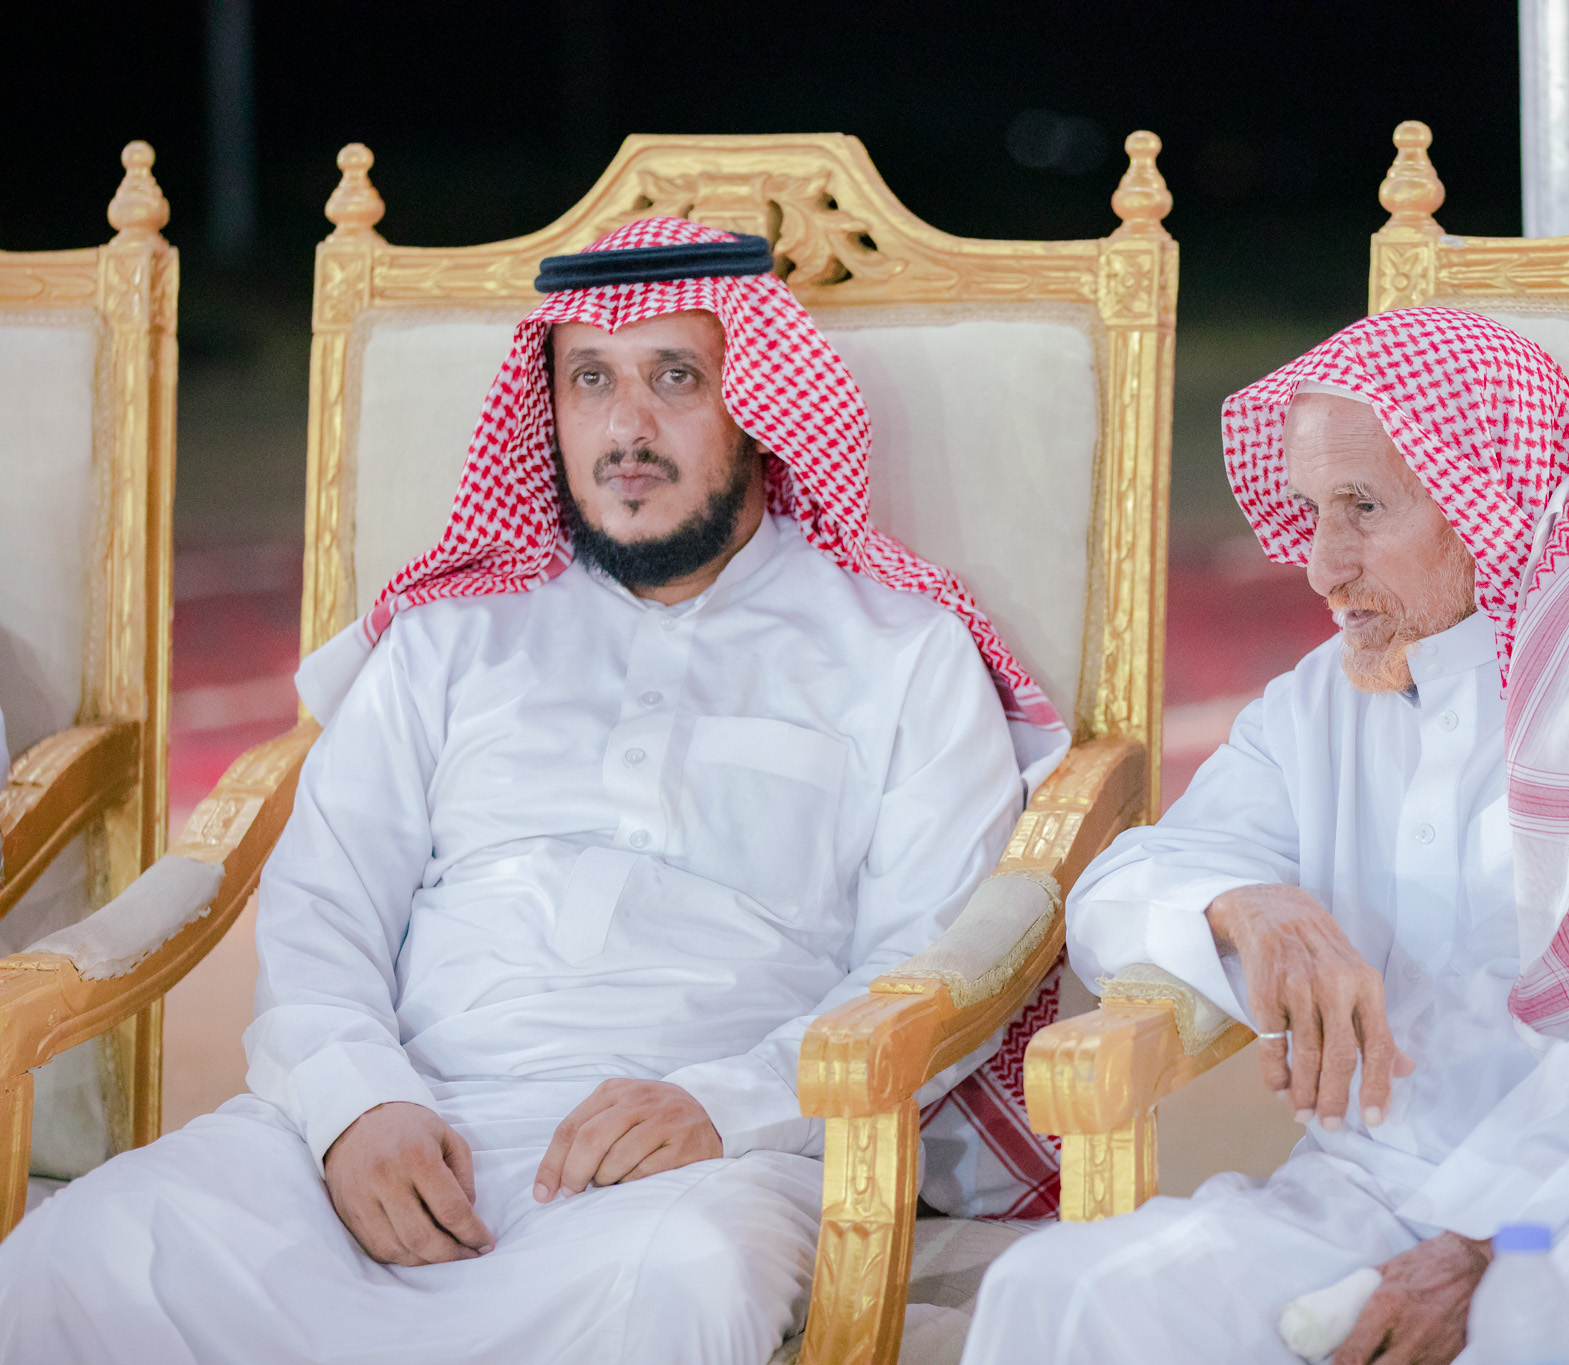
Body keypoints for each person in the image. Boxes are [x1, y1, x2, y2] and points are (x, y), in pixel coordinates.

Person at [0, 217, 1068, 1365]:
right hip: (403, 1116)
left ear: (758, 404)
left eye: (675, 377)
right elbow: (323, 907)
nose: (626, 428)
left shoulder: (901, 652)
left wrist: (725, 1105)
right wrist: (356, 1103)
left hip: (694, 1161)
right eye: (590, 380)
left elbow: (929, 959)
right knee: (85, 1254)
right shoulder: (450, 634)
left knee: (684, 1285)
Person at [962, 308, 1569, 1365]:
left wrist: (1487, 1240)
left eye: (1363, 507)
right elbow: (1120, 890)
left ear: (1488, 502)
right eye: (1310, 510)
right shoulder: (1322, 702)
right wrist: (1247, 906)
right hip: (1379, 1188)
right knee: (1062, 1298)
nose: (1320, 566)